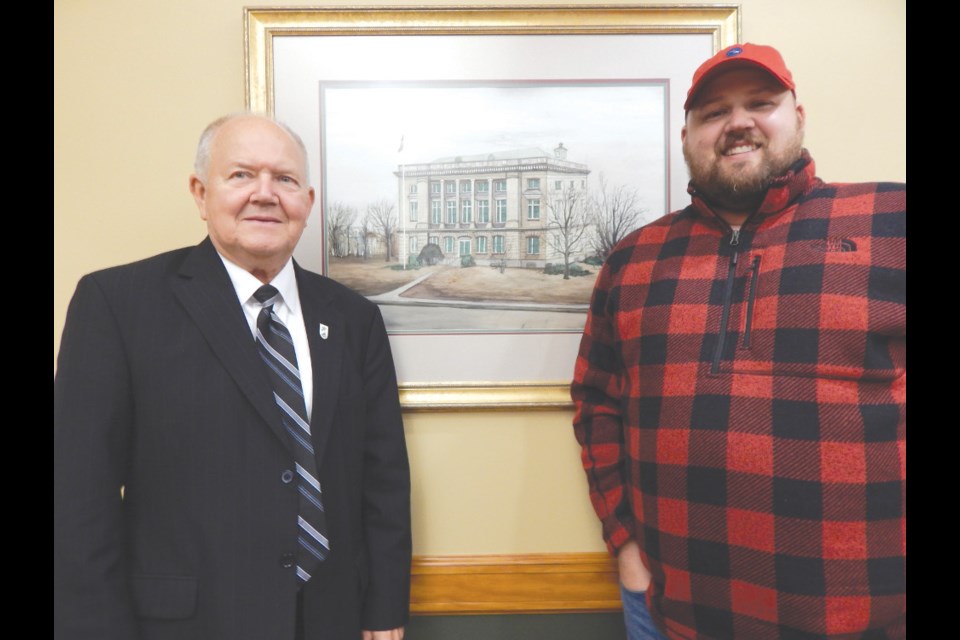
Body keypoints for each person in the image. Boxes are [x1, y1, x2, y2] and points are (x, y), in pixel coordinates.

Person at [572, 44, 905, 639]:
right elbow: (597, 405)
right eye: (714, 112)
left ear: (798, 116)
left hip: (866, 618)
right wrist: (623, 544)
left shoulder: (891, 219)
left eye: (760, 102)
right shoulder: (632, 259)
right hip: (674, 614)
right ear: (687, 136)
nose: (739, 122)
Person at [54, 113, 411, 639]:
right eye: (241, 175)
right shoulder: (116, 305)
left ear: (307, 203)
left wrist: (384, 608)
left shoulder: (354, 319)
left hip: (330, 620)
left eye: (285, 180)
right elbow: (78, 497)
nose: (265, 194)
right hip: (183, 625)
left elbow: (382, 478)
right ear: (200, 194)